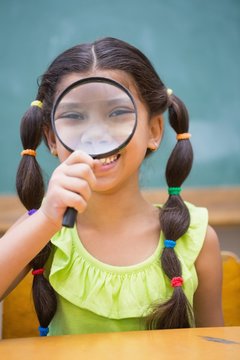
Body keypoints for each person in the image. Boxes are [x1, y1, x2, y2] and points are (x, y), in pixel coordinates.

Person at [0, 37, 223, 336]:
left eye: (117, 113)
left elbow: (217, 347)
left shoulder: (195, 238)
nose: (95, 134)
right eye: (74, 116)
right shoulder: (39, 230)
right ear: (52, 139)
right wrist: (45, 220)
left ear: (154, 130)